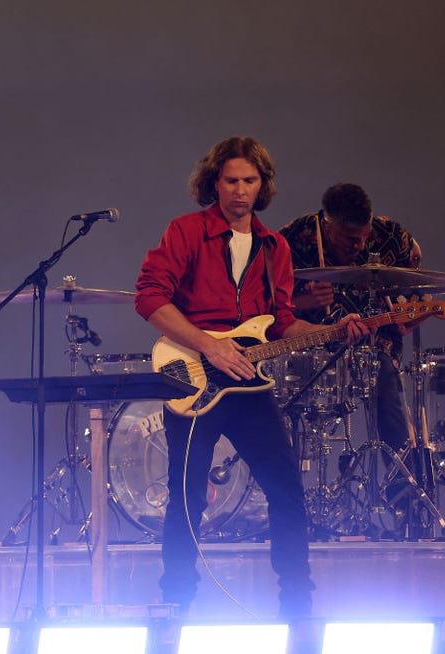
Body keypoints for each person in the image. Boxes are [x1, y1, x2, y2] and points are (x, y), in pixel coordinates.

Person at [134, 137, 369, 617]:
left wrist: (330, 331)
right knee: (187, 497)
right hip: (194, 377)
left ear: (262, 185)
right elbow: (150, 298)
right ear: (213, 183)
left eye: (249, 181)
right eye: (231, 180)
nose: (240, 191)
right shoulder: (185, 232)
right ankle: (176, 601)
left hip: (247, 384)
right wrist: (209, 345)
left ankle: (297, 603)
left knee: (285, 489)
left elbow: (280, 321)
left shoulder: (274, 246)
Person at [279, 183, 422, 453]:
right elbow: (267, 309)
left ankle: (401, 487)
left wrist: (413, 313)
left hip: (375, 342)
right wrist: (302, 301)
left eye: (364, 236)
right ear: (327, 224)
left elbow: (416, 289)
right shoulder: (291, 238)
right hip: (314, 343)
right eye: (350, 239)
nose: (360, 245)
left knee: (388, 391)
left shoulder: (391, 234)